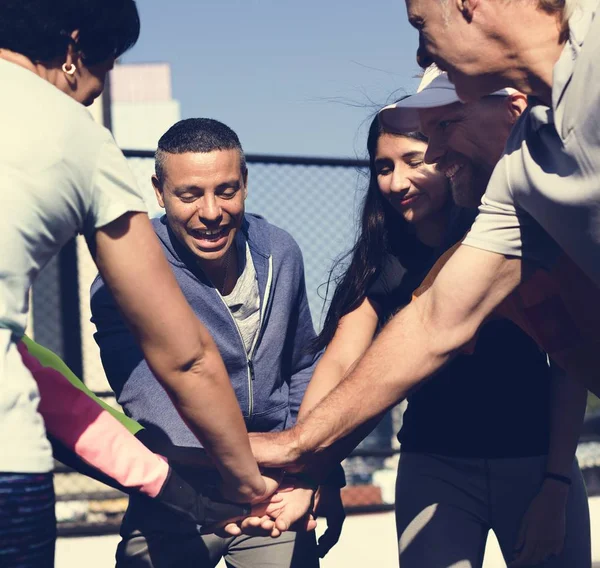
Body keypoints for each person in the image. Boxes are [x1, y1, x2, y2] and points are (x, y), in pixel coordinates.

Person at [247, 0, 600, 496]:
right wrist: (300, 445)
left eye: (420, 24)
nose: (418, 52)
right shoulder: (518, 180)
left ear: (469, 5)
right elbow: (436, 320)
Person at [0, 2, 271, 564]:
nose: (108, 81)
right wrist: (247, 483)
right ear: (75, 48)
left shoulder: (278, 252)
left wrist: (173, 490)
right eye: (112, 58)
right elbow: (185, 356)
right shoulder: (73, 132)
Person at [295, 97, 590, 566]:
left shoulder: (506, 237)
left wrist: (556, 484)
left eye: (414, 161)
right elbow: (340, 364)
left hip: (538, 464)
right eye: (383, 167)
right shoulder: (379, 262)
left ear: (446, 156)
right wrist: (315, 472)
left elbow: (569, 366)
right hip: (435, 469)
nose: (396, 182)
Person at [90, 118, 335, 568]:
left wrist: (311, 471)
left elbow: (303, 364)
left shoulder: (279, 250)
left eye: (226, 190)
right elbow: (151, 402)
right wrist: (251, 465)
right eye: (189, 194)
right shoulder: (125, 275)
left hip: (275, 491)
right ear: (159, 192)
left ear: (245, 183)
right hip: (179, 489)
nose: (210, 211)